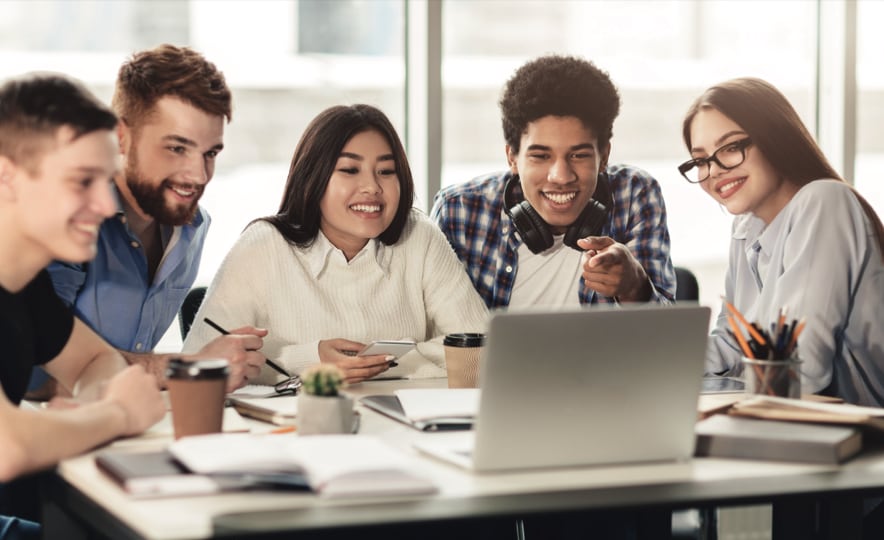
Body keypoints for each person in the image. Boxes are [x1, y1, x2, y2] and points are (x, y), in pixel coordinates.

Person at [182, 104, 487, 383]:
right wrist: (311, 361)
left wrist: (376, 366)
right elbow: (201, 363)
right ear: (314, 178)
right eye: (349, 170)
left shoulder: (419, 236)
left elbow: (481, 348)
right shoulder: (262, 246)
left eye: (386, 171)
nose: (372, 187)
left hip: (402, 427)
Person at [44, 44, 265, 392]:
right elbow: (39, 367)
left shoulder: (193, 228)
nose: (198, 175)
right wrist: (185, 367)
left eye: (210, 153)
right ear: (120, 137)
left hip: (129, 420)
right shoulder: (64, 216)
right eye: (177, 148)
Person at [0, 73, 165, 538]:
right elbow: (7, 446)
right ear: (6, 175)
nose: (103, 202)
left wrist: (92, 402)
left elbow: (95, 358)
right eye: (82, 181)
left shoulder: (24, 284)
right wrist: (116, 415)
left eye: (107, 179)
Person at [680, 77, 884, 407]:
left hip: (864, 437)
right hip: (797, 425)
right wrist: (657, 367)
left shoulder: (824, 201)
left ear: (774, 138)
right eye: (701, 160)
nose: (714, 171)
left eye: (731, 148)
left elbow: (801, 372)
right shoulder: (746, 228)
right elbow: (735, 345)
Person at [431, 55, 675, 309]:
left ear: (604, 156)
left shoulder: (635, 194)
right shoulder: (458, 209)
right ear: (512, 158)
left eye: (578, 155)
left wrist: (634, 286)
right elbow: (433, 330)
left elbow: (669, 339)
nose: (561, 176)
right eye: (540, 156)